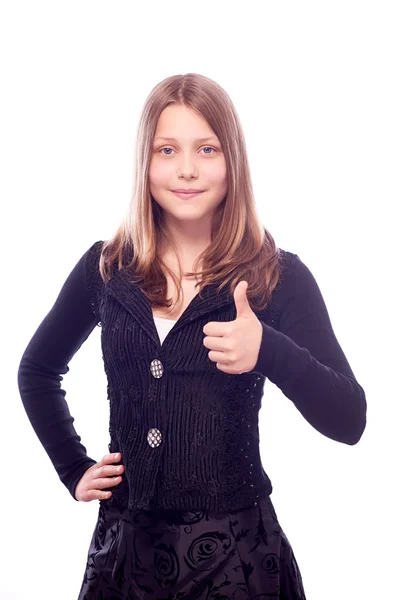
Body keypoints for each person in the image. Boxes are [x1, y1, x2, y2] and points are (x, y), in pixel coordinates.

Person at [17, 73, 367, 599]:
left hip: (238, 561)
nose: (186, 169)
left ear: (233, 162)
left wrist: (267, 350)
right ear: (146, 162)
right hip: (125, 556)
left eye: (206, 149)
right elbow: (37, 371)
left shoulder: (277, 276)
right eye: (167, 149)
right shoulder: (107, 268)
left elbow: (349, 419)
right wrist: (73, 467)